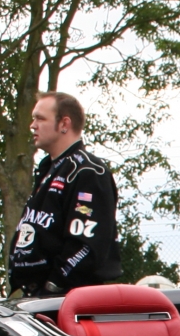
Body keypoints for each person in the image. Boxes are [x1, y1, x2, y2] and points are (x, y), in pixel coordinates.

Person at [8, 92, 121, 296]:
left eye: (40, 118)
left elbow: (87, 245)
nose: (32, 126)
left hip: (67, 298)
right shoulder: (48, 170)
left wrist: (53, 285)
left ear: (64, 124)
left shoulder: (88, 171)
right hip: (35, 295)